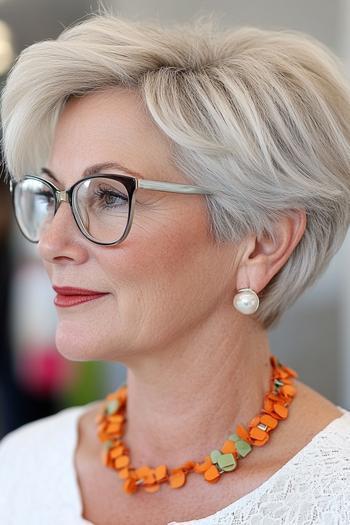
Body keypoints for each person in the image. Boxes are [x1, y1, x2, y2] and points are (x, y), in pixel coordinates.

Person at [0, 12, 350, 525]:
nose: (51, 243)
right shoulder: (19, 470)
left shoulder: (335, 495)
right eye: (50, 195)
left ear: (262, 243)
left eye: (110, 196)